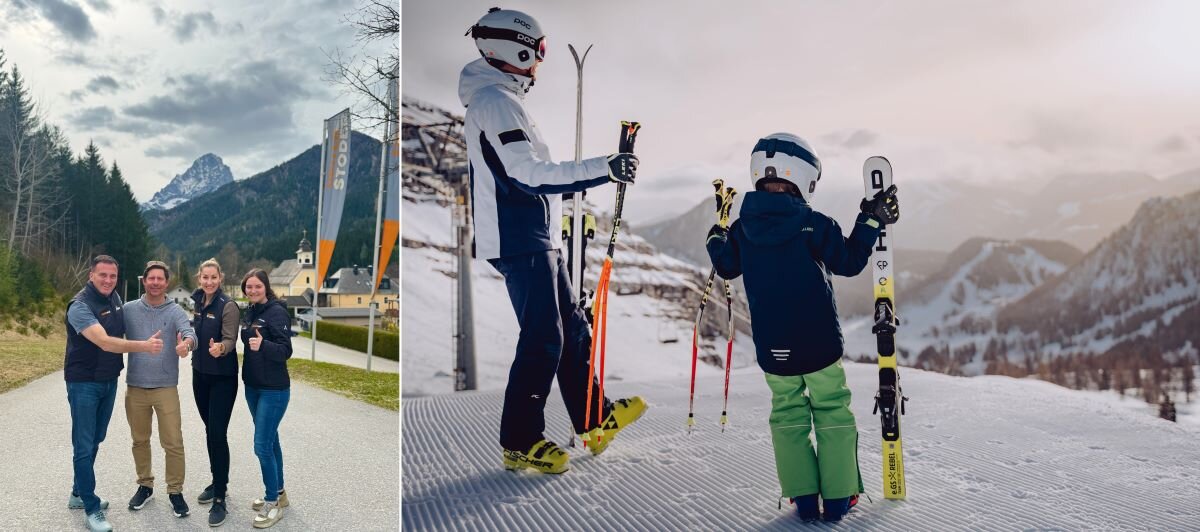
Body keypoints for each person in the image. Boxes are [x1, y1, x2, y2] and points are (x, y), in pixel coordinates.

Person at [460, 7, 646, 474]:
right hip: (519, 237)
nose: (540, 63)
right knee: (544, 337)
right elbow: (526, 173)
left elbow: (527, 172)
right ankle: (520, 440)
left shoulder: (504, 100)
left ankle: (594, 419)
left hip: (536, 235)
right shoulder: (495, 103)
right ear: (515, 49)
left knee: (572, 326)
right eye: (538, 53)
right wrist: (603, 169)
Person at [705, 133, 900, 522]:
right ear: (804, 176)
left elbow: (725, 264)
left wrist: (716, 233)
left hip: (773, 350)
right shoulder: (812, 224)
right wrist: (871, 219)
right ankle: (840, 496)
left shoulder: (743, 229)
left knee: (787, 414)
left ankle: (804, 498)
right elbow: (848, 261)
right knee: (831, 410)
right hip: (818, 345)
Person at [65, 255, 165, 532]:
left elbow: (128, 324)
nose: (108, 280)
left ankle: (77, 492)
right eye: (103, 275)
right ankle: (91, 507)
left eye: (112, 276)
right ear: (91, 275)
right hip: (84, 382)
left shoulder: (114, 298)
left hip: (108, 380)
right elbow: (106, 343)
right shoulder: (80, 306)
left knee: (96, 438)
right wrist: (144, 347)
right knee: (83, 445)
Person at [122, 261, 197, 518]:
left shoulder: (175, 311)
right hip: (136, 387)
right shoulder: (129, 309)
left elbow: (190, 334)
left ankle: (175, 491)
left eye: (160, 279)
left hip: (165, 387)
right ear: (144, 280)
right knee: (139, 440)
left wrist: (185, 345)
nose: (155, 282)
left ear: (167, 282)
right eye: (151, 278)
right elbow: (109, 334)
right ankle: (145, 485)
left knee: (173, 442)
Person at [239, 268, 293, 529]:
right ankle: (280, 495)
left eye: (257, 286)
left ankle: (272, 502)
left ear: (265, 287)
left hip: (274, 389)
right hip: (253, 387)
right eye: (248, 287)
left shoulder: (277, 312)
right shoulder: (251, 311)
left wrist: (265, 346)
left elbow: (286, 350)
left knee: (261, 445)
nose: (252, 290)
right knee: (271, 441)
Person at [189, 259, 240, 527]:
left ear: (220, 278)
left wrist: (221, 347)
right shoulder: (197, 303)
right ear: (199, 278)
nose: (209, 281)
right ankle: (217, 480)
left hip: (223, 379)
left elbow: (231, 338)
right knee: (210, 431)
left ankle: (220, 497)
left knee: (217, 434)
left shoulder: (227, 306)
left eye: (213, 277)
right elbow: (193, 333)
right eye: (204, 277)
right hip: (200, 375)